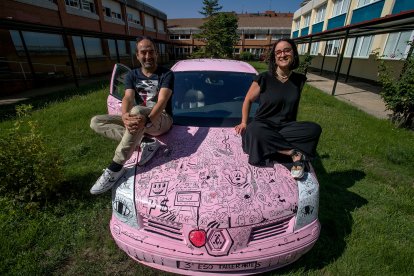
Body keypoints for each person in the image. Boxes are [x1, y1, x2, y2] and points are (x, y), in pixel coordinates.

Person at [89, 37, 174, 194]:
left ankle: (115, 168)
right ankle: (145, 142)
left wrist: (147, 122)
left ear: (156, 54)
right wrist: (124, 117)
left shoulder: (166, 74)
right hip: (139, 118)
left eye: (151, 52)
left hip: (161, 119)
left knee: (137, 111)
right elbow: (128, 97)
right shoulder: (132, 75)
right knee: (96, 121)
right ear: (137, 55)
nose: (147, 56)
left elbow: (162, 100)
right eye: (144, 52)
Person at [234, 38, 321, 179]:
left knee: (314, 129)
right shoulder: (263, 78)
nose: (282, 55)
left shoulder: (299, 80)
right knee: (254, 130)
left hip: (286, 126)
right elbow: (248, 99)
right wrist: (244, 122)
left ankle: (268, 147)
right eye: (278, 52)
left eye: (287, 50)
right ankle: (292, 153)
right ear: (274, 57)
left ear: (293, 53)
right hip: (263, 125)